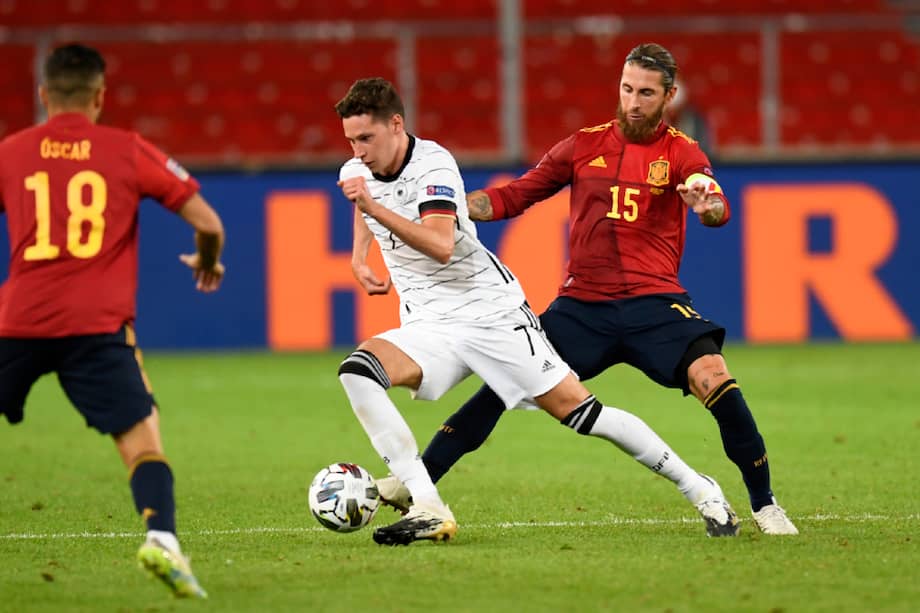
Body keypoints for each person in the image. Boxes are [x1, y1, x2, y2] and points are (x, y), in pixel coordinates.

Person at [393, 43, 798, 536]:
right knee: (499, 385)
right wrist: (454, 206)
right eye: (627, 88)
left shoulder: (682, 152)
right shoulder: (582, 145)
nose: (633, 101)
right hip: (582, 308)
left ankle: (765, 505)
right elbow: (516, 194)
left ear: (669, 96)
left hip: (656, 304)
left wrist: (703, 202)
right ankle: (419, 486)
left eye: (646, 92)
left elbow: (716, 207)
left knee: (716, 379)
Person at [334, 77, 740, 547]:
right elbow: (364, 200)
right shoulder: (356, 171)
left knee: (583, 414)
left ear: (396, 125)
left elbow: (441, 245)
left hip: (491, 316)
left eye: (367, 138)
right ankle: (428, 505)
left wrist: (370, 208)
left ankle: (698, 486)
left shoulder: (433, 166)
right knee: (358, 372)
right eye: (351, 141)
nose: (359, 151)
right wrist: (359, 256)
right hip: (429, 323)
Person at [0, 43, 225, 597]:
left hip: (18, 322)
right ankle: (163, 541)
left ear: (43, 95)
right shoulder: (126, 149)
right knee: (142, 441)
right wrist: (208, 258)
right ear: (101, 95)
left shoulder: (10, 152)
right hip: (97, 328)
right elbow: (208, 220)